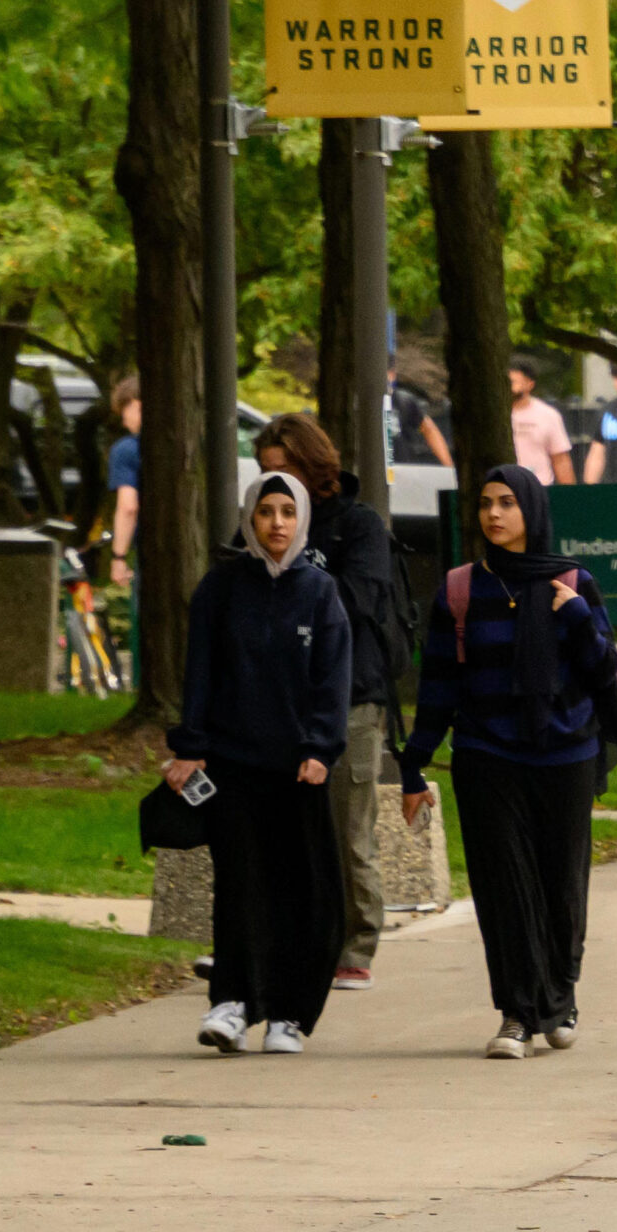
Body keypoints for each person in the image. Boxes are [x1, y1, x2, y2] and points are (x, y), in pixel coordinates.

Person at [398, 466, 617, 1058]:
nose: (493, 514)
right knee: (504, 888)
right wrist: (413, 763)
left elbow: (604, 671)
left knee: (561, 884)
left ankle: (560, 997)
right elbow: (438, 683)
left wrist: (576, 617)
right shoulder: (459, 589)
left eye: (506, 503)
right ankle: (518, 1015)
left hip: (566, 752)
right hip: (487, 752)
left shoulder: (573, 582)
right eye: (485, 503)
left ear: (531, 510)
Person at [164, 472, 351, 1056]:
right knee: (240, 884)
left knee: (302, 890)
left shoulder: (320, 592)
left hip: (297, 769)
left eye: (288, 512)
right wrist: (191, 744)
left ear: (302, 520)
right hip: (232, 762)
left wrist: (320, 748)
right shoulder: (221, 588)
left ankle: (288, 1014)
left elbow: (332, 678)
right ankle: (232, 1002)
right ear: (249, 518)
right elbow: (200, 671)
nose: (276, 523)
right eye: (266, 511)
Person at [252, 416, 396, 993]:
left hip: (351, 695)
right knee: (281, 830)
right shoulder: (262, 528)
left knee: (347, 829)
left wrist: (300, 582)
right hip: (281, 696)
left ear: (312, 467)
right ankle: (286, 938)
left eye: (284, 470)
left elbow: (360, 599)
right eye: (265, 473)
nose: (275, 487)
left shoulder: (357, 526)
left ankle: (355, 945)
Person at [508, 357, 575, 485]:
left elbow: (560, 460)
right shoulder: (492, 416)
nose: (508, 386)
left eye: (513, 382)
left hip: (539, 488)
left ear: (530, 384)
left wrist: (570, 493)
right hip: (502, 490)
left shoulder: (548, 415)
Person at [385, 357, 453, 469]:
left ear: (392, 375)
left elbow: (429, 429)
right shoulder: (360, 404)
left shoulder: (403, 401)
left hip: (401, 468)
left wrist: (448, 466)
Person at [107, 376, 142, 589]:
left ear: (136, 404)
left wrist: (118, 558)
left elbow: (128, 507)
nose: (123, 421)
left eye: (124, 411)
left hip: (154, 552)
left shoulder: (127, 449)